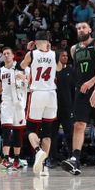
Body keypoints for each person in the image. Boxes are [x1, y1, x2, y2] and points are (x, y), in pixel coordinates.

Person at [20, 31, 61, 176]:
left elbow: (22, 65)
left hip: (37, 93)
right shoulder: (55, 54)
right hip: (51, 94)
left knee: (31, 128)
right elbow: (60, 68)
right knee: (48, 131)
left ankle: (38, 152)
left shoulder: (32, 54)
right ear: (48, 41)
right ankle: (43, 167)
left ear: (36, 41)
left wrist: (29, 50)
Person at [62, 21, 95, 176]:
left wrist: (92, 82)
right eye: (78, 28)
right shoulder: (73, 49)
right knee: (78, 124)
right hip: (81, 92)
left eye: (83, 27)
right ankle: (75, 159)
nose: (81, 30)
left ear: (90, 29)